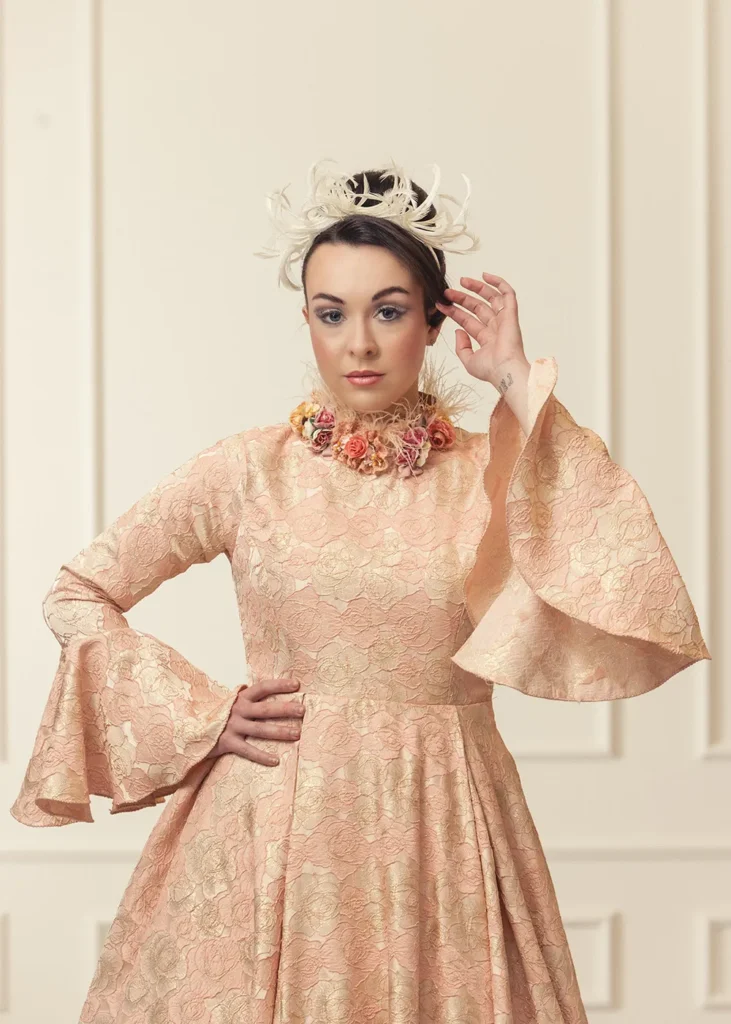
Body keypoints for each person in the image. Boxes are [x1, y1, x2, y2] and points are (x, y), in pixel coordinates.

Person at [10, 159, 710, 1024]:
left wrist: (515, 381)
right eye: (330, 314)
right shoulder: (246, 472)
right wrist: (199, 714)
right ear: (305, 320)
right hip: (275, 821)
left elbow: (616, 571)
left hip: (445, 821)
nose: (359, 344)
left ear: (431, 317)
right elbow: (78, 591)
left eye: (387, 311)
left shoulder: (491, 468)